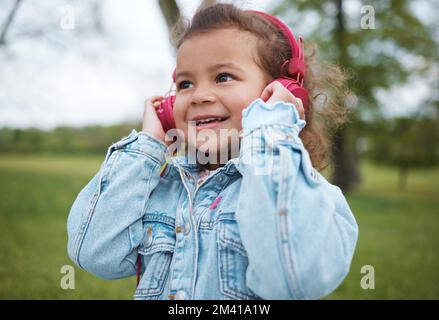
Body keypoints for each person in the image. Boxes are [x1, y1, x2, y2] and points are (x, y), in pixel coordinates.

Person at [67, 3, 358, 300]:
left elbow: (294, 277)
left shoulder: (306, 194)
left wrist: (270, 132)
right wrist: (148, 146)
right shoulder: (161, 188)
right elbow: (92, 252)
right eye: (185, 83)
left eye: (223, 77)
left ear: (280, 94)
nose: (199, 96)